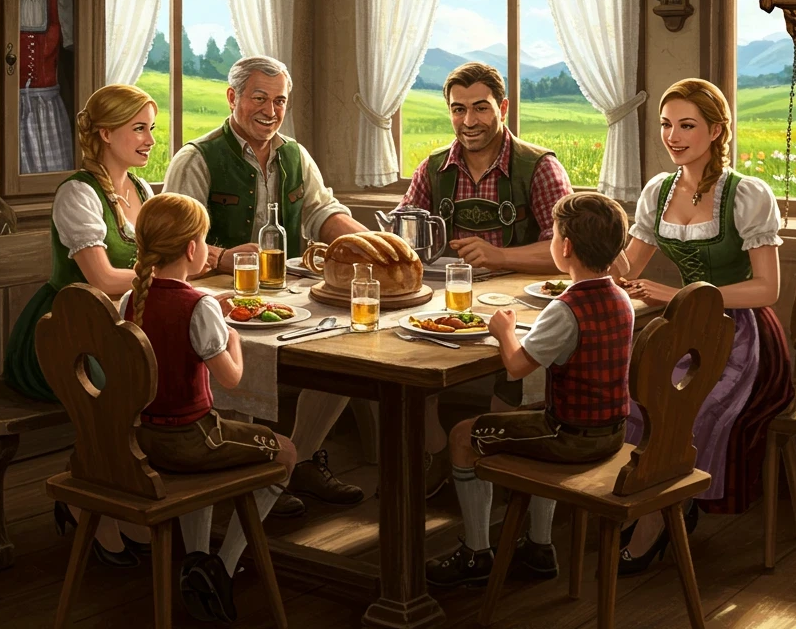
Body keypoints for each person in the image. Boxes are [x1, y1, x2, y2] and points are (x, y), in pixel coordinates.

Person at [163, 55, 368, 517]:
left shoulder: (295, 154)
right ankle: (246, 481)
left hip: (288, 300)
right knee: (240, 370)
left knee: (348, 358)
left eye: (279, 101)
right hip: (215, 303)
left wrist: (368, 242)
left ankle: (292, 463)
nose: (271, 110)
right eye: (259, 98)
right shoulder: (196, 158)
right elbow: (173, 242)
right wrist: (220, 256)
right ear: (233, 97)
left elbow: (322, 212)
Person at [615, 78, 793, 574]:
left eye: (687, 125)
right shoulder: (659, 191)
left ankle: (665, 514)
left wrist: (679, 296)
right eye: (667, 124)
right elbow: (628, 267)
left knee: (690, 406)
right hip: (685, 333)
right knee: (638, 397)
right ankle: (654, 503)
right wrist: (585, 257)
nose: (673, 136)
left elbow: (766, 289)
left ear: (716, 130)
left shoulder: (746, 195)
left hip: (744, 335)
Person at [425, 191, 634, 588]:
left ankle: (476, 553)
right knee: (535, 407)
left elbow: (517, 367)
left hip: (568, 438)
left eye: (554, 236)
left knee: (463, 436)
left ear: (566, 247)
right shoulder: (620, 297)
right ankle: (538, 546)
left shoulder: (565, 307)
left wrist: (504, 331)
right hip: (611, 432)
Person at [3, 83, 174, 567]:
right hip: (65, 332)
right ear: (105, 133)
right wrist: (167, 274)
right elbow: (100, 277)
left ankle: (117, 501)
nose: (149, 140)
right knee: (124, 388)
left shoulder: (139, 190)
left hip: (118, 326)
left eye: (151, 129)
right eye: (138, 129)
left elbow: (148, 266)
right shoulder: (78, 193)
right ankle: (86, 499)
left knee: (160, 373)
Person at [114, 192, 297, 624]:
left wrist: (212, 315)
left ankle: (198, 558)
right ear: (194, 249)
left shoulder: (128, 301)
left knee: (222, 440)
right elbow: (231, 377)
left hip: (142, 441)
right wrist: (231, 332)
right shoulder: (199, 306)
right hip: (190, 442)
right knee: (286, 452)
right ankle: (222, 565)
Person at [398, 62, 575, 494]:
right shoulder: (434, 167)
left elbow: (567, 250)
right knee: (406, 355)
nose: (469, 121)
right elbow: (402, 231)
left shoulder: (538, 167)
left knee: (511, 369)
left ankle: (499, 465)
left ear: (504, 107)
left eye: (480, 108)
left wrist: (499, 254)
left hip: (520, 303)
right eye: (458, 110)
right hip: (447, 301)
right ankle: (437, 449)